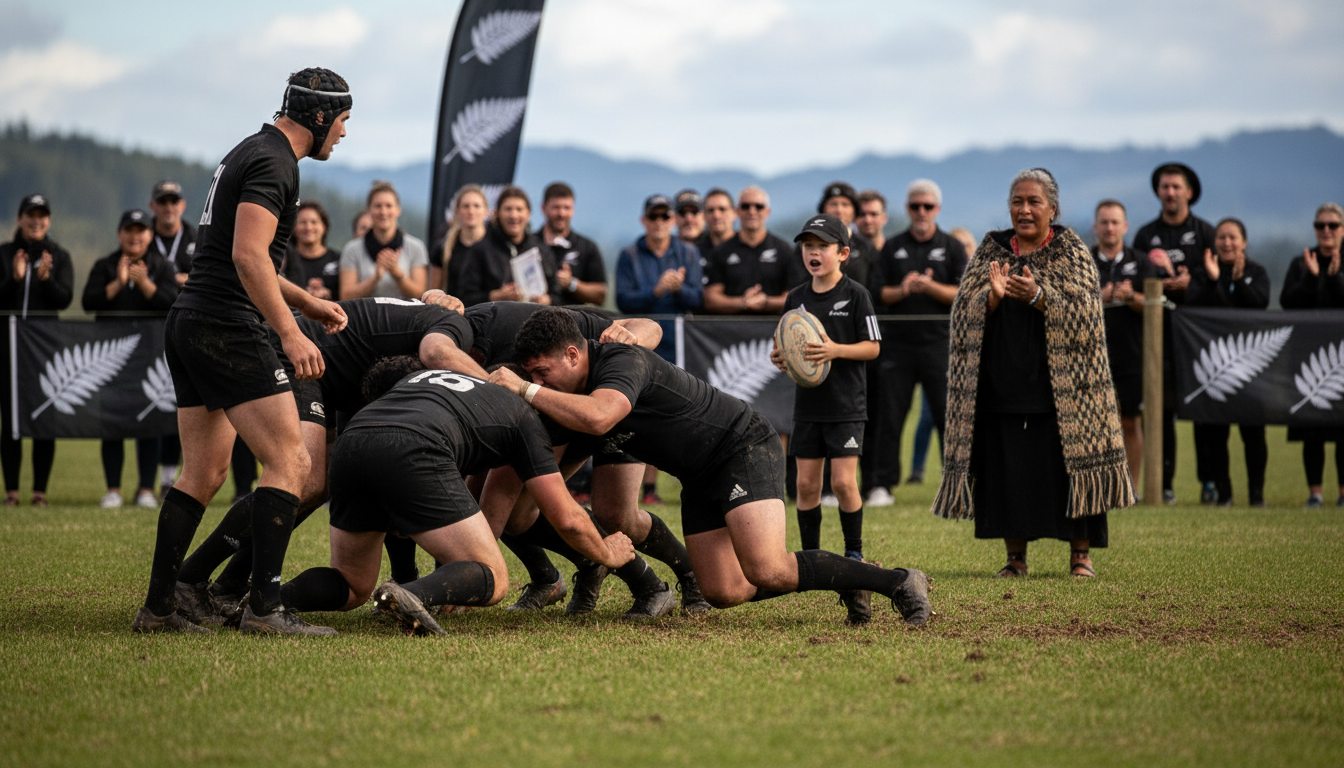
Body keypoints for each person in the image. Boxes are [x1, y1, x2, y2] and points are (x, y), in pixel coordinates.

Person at [490, 307, 932, 627]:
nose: (538, 382)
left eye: (542, 372)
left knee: (768, 569)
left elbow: (600, 416)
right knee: (724, 592)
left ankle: (898, 581)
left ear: (572, 354)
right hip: (698, 474)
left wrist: (525, 390)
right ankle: (841, 576)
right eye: (531, 374)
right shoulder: (572, 392)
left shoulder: (620, 360)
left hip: (740, 446)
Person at [131, 67, 352, 635]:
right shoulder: (275, 162)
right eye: (345, 122)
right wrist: (290, 331)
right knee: (293, 462)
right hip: (227, 325)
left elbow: (247, 253)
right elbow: (249, 259)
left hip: (192, 319)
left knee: (203, 470)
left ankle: (160, 607)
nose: (345, 135)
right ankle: (264, 610)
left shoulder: (253, 150)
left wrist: (306, 302)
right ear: (321, 118)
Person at [276, 358, 636, 635]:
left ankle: (271, 600)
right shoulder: (527, 418)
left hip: (353, 442)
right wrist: (608, 553)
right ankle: (409, 592)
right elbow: (569, 520)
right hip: (414, 447)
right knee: (494, 576)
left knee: (352, 583)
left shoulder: (451, 384)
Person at [934, 168, 1134, 578]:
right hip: (1002, 386)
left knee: (1068, 469)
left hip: (1064, 391)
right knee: (1010, 470)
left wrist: (1041, 297)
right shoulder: (990, 252)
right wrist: (991, 298)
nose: (1024, 210)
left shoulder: (1071, 251)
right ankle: (1015, 558)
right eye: (1017, 202)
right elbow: (963, 314)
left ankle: (1081, 554)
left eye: (1033, 202)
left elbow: (1087, 316)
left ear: (1052, 208)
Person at [770, 215, 880, 564]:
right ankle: (810, 556)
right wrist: (782, 357)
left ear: (843, 253)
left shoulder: (856, 295)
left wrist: (836, 350)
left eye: (822, 247)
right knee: (805, 485)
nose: (813, 253)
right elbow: (785, 342)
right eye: (808, 246)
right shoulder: (796, 298)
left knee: (845, 483)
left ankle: (854, 552)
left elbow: (873, 347)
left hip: (846, 406)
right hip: (808, 407)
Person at [865, 179, 967, 507]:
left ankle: (956, 487)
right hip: (898, 346)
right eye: (915, 206)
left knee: (947, 418)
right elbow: (879, 292)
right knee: (890, 417)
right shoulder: (892, 246)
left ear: (937, 209)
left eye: (927, 206)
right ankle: (882, 485)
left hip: (940, 345)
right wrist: (906, 289)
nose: (921, 212)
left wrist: (931, 287)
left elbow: (962, 293)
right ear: (907, 209)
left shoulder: (952, 247)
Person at [82, 209, 180, 508]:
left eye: (140, 231)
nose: (135, 237)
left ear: (149, 235)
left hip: (150, 359)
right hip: (111, 360)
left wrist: (146, 283)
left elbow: (172, 303)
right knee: (112, 424)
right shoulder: (104, 265)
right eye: (129, 231)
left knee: (147, 423)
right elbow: (88, 302)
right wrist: (119, 282)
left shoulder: (162, 266)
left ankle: (145, 491)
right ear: (119, 234)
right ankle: (113, 489)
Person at [1132, 162, 1216, 504]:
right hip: (1158, 342)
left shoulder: (1206, 233)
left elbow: (1216, 285)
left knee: (1204, 412)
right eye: (1164, 186)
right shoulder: (1145, 236)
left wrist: (1191, 285)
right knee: (1160, 414)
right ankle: (1163, 485)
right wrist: (1162, 285)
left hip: (1199, 341)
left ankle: (1210, 484)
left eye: (1176, 187)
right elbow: (1136, 284)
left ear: (1189, 192)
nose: (1170, 192)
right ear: (1158, 192)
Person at [1185, 218, 1271, 507]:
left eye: (1233, 237)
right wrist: (1213, 279)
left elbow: (1258, 303)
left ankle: (1257, 495)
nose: (1226, 243)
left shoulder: (1256, 272)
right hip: (1214, 367)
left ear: (1244, 242)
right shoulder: (1203, 272)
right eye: (1221, 237)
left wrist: (1236, 280)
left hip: (1250, 369)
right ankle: (1225, 495)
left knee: (1253, 435)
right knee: (1215, 435)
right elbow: (1197, 307)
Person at [0, 193, 74, 507]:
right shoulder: (4, 254)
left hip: (45, 350)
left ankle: (39, 491)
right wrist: (15, 280)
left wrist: (44, 280)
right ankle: (12, 492)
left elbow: (65, 298)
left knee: (44, 419)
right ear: (20, 218)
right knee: (12, 420)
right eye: (30, 214)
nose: (36, 220)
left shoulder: (58, 256)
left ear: (48, 221)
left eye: (42, 215)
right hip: (9, 349)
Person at [1281, 203, 1344, 507]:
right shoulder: (1301, 262)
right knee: (1312, 429)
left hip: (1341, 361)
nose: (1326, 231)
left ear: (1342, 229)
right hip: (1308, 360)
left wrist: (1333, 279)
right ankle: (1315, 494)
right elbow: (1288, 302)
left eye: (1332, 225)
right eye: (1320, 226)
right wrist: (1311, 278)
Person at [1091, 200, 1155, 489]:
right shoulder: (1083, 260)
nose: (1109, 227)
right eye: (1104, 222)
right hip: (1090, 356)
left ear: (1125, 226)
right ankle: (1096, 487)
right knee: (1092, 426)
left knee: (1130, 422)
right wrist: (1098, 299)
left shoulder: (1141, 262)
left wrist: (1132, 298)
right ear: (1096, 227)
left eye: (1115, 222)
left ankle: (1130, 487)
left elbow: (1156, 307)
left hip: (1131, 354)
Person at [615, 194, 702, 362]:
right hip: (641, 343)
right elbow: (623, 300)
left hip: (680, 342)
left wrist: (679, 290)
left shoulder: (689, 253)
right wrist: (656, 291)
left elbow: (698, 299)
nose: (659, 221)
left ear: (673, 220)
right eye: (653, 216)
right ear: (644, 220)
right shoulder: (629, 255)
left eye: (665, 216)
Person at [148, 181, 194, 495]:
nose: (168, 207)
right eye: (162, 202)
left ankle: (181, 476)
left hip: (189, 330)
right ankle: (155, 481)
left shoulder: (195, 237)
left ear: (183, 205)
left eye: (173, 201)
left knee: (185, 404)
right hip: (150, 335)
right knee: (155, 404)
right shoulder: (142, 236)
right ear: (153, 206)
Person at [702, 186, 797, 314]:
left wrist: (766, 302)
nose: (752, 212)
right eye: (745, 206)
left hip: (773, 330)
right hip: (731, 331)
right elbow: (711, 299)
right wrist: (742, 302)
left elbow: (794, 297)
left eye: (758, 207)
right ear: (737, 211)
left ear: (767, 212)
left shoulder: (785, 251)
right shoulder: (721, 252)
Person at [458, 186, 557, 307]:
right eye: (508, 209)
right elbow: (464, 297)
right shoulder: (480, 250)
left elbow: (559, 295)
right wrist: (495, 296)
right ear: (497, 213)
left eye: (519, 209)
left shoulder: (541, 249)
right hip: (494, 323)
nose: (514, 215)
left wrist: (547, 300)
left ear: (528, 214)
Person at [339, 181, 428, 300]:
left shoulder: (416, 247)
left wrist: (398, 274)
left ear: (398, 210)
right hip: (366, 316)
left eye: (389, 206)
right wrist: (374, 278)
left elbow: (421, 295)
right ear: (369, 210)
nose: (383, 212)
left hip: (406, 317)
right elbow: (345, 296)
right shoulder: (352, 249)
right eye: (378, 206)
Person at [540, 182, 606, 306]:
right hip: (533, 319)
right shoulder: (529, 244)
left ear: (573, 209)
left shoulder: (587, 247)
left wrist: (572, 284)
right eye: (556, 207)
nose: (561, 214)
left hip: (574, 321)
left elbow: (601, 295)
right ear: (543, 208)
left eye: (567, 208)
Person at [430, 184, 488, 295]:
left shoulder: (497, 246)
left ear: (486, 211)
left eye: (476, 206)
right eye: (466, 206)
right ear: (457, 211)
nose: (471, 211)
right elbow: (434, 292)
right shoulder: (443, 248)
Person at [815, 182, 876, 288]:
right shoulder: (810, 245)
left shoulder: (866, 246)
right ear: (823, 210)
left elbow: (875, 290)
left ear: (854, 212)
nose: (839, 210)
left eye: (845, 205)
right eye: (833, 204)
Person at [283, 201, 340, 300]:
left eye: (314, 222)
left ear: (324, 226)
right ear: (293, 227)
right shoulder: (285, 260)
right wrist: (304, 296)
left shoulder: (339, 260)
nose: (308, 228)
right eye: (302, 222)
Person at [697, 188, 737, 256]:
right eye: (711, 210)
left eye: (722, 209)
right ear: (704, 216)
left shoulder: (747, 248)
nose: (716, 216)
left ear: (734, 213)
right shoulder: (695, 252)